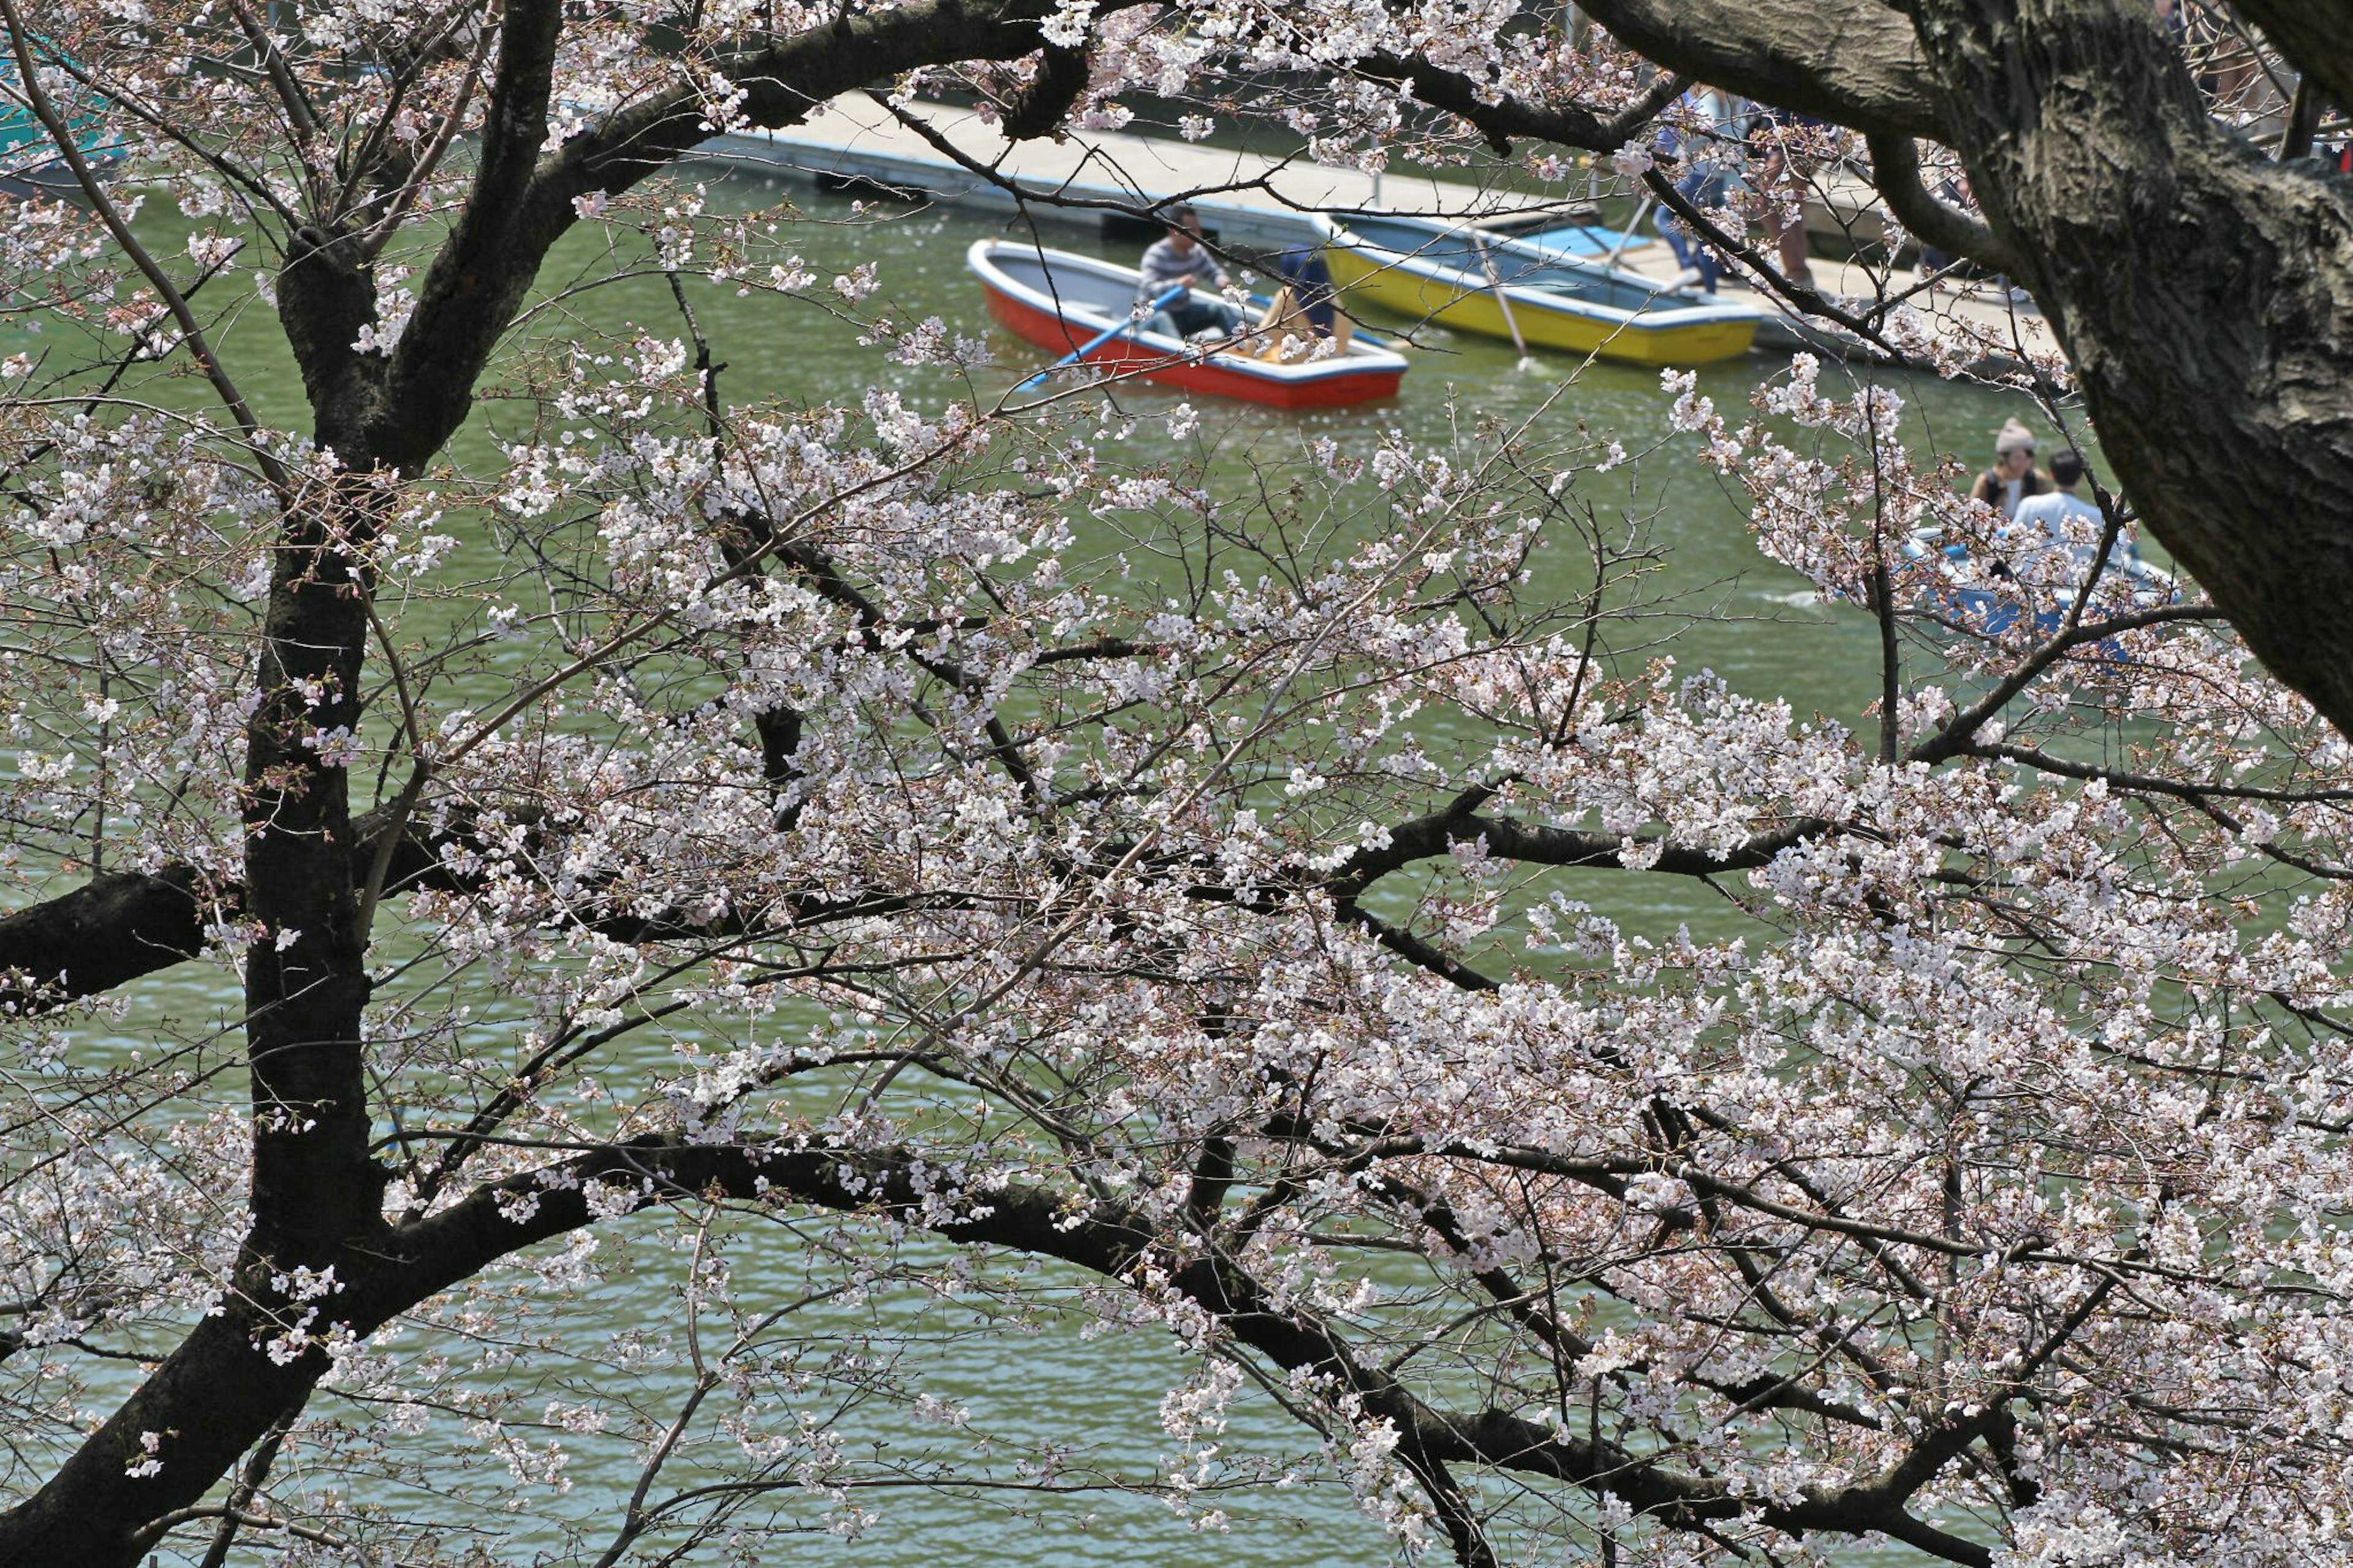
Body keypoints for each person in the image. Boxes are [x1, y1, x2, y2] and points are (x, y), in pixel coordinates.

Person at [1137, 205, 1241, 339]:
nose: (1198, 235)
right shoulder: (1157, 254)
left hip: (1182, 313)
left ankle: (1240, 345)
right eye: (1192, 231)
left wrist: (1221, 280)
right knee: (1163, 318)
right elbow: (1150, 289)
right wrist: (1177, 284)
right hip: (1153, 316)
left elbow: (1213, 272)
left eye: (1198, 229)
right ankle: (1180, 355)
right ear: (1175, 231)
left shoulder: (1196, 252)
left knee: (1220, 309)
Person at [2004, 447, 2104, 586]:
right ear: (2081, 477)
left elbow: (2009, 541)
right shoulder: (2094, 515)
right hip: (2073, 589)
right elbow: (2116, 551)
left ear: (2051, 474)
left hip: (2032, 584)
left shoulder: (2030, 504)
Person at [1252, 243, 1355, 360]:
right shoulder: (1335, 299)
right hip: (1333, 368)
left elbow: (1262, 341)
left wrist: (1236, 348)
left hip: (1300, 370)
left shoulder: (1288, 296)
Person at [1968, 418, 2053, 521]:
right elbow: (1972, 519)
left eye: (2028, 458)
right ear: (2003, 457)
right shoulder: (1987, 482)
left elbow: (2048, 514)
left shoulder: (2037, 480)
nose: (2025, 464)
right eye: (2018, 458)